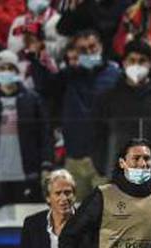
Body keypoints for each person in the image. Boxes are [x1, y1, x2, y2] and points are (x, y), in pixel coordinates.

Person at [31, 28, 122, 202]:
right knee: (74, 217)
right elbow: (44, 87)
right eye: (83, 50)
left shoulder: (115, 76)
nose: (89, 52)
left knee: (106, 216)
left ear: (101, 46)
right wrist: (37, 56)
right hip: (74, 158)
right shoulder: (68, 76)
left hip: (104, 160)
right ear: (76, 52)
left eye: (92, 47)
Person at [93, 40, 151, 181]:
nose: (136, 65)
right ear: (124, 63)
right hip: (120, 175)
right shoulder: (110, 97)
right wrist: (102, 165)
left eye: (142, 61)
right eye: (132, 60)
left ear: (150, 64)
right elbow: (98, 134)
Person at [0, 49, 52, 206]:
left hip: (27, 173)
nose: (6, 72)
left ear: (16, 71)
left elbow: (45, 133)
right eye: (1, 68)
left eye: (10, 68)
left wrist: (46, 163)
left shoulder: (32, 99)